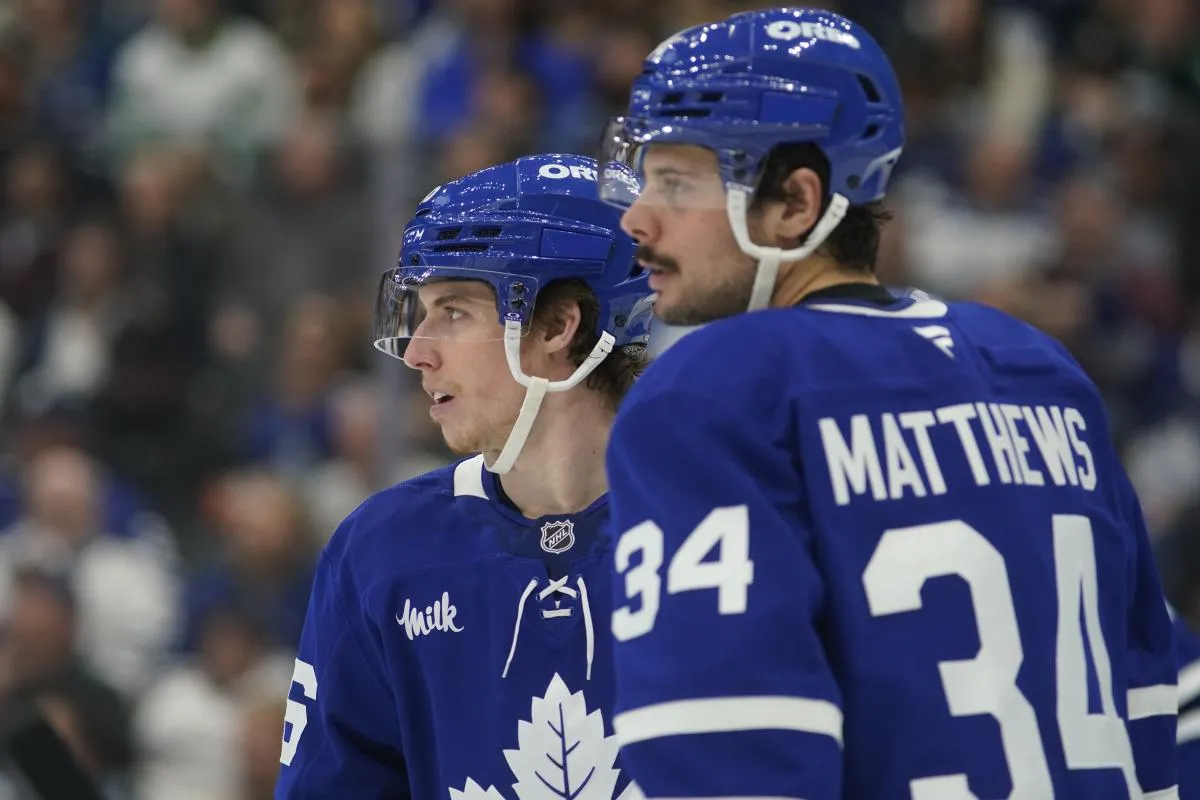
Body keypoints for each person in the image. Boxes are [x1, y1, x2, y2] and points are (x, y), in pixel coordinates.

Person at [596, 8, 1179, 798]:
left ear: (796, 203)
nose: (636, 215)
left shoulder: (712, 392)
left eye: (676, 182)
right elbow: (1167, 708)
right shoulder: (1037, 369)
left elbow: (727, 756)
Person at [273, 154, 654, 798]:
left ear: (562, 323)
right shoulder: (381, 551)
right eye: (420, 313)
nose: (418, 352)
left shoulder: (723, 528)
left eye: (453, 312)